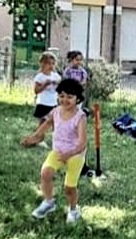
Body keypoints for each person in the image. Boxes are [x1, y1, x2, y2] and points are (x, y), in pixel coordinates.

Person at [21, 79, 87, 224]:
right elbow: (46, 124)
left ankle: (73, 210)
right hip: (58, 151)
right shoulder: (56, 111)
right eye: (62, 96)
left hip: (75, 154)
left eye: (70, 97)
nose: (65, 100)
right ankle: (48, 202)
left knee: (69, 188)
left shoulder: (80, 117)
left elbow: (82, 144)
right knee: (45, 173)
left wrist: (69, 154)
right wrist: (33, 137)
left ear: (78, 99)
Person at [33, 52, 61, 122]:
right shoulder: (40, 77)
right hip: (43, 102)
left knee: (54, 121)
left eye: (53, 63)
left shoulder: (55, 76)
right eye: (48, 63)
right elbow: (36, 91)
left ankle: (55, 133)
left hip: (53, 102)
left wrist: (56, 83)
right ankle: (39, 133)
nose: (51, 66)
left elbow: (60, 85)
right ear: (43, 64)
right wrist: (44, 85)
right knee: (42, 122)